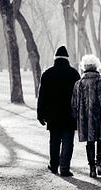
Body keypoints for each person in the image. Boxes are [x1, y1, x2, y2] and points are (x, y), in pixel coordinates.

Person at [37, 46, 80, 177]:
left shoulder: (48, 73)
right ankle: (65, 169)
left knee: (54, 141)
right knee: (68, 142)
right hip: (69, 114)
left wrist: (40, 114)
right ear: (67, 59)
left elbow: (42, 96)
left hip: (52, 114)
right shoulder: (74, 74)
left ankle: (54, 166)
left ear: (55, 58)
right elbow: (79, 96)